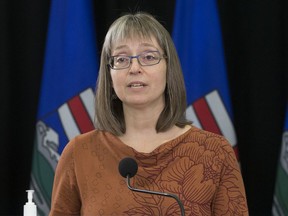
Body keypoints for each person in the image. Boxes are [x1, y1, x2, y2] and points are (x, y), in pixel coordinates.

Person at [49, 12, 248, 215]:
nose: (135, 68)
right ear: (109, 75)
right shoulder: (80, 153)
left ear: (168, 68)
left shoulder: (215, 152)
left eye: (149, 57)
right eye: (122, 59)